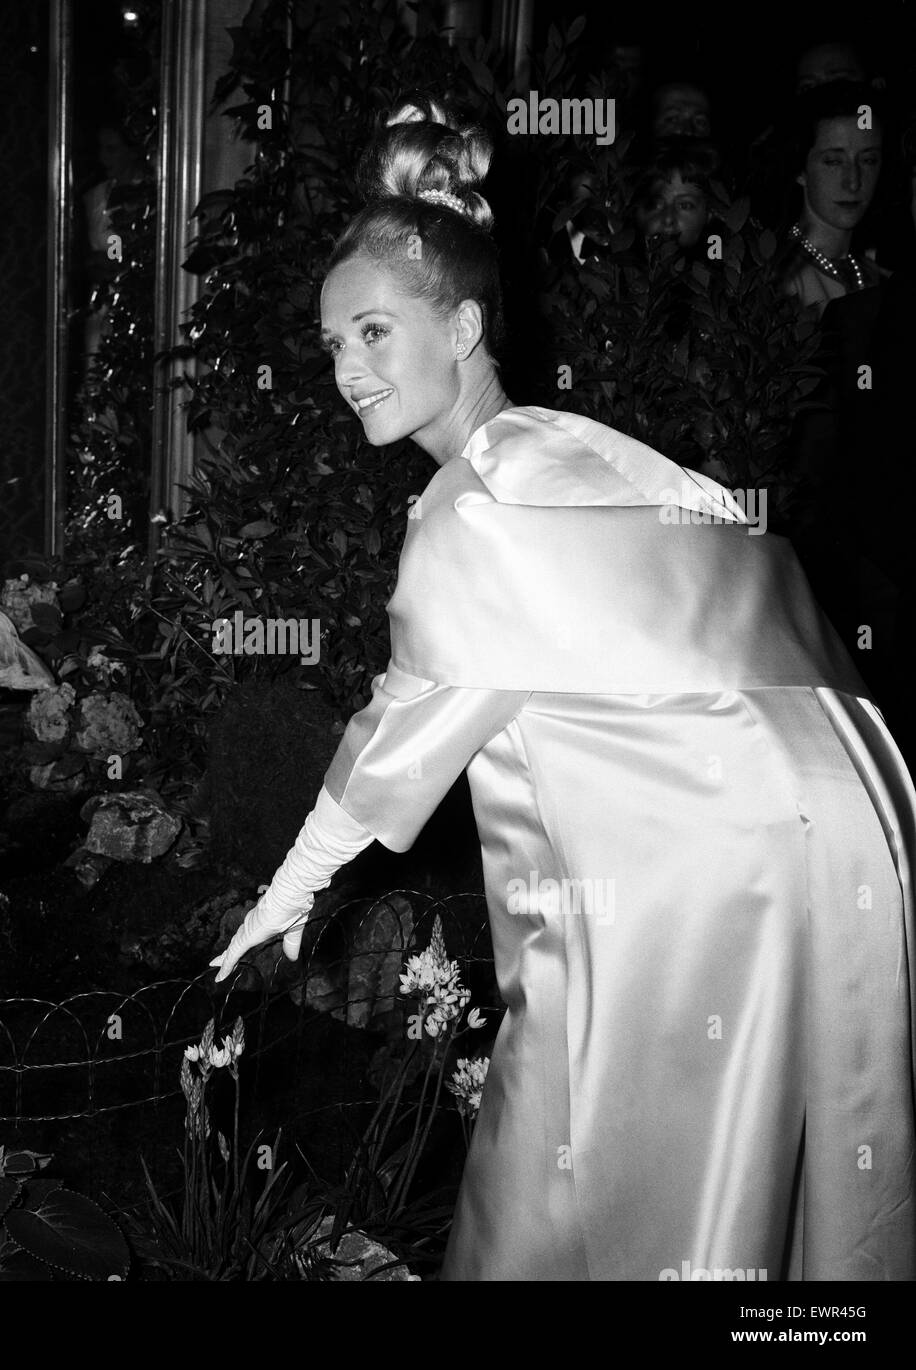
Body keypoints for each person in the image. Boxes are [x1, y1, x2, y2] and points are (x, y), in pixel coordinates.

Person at [209, 94, 916, 1281]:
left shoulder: (467, 510)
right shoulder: (573, 442)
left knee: (577, 1163)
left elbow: (396, 737)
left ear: (465, 324)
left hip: (720, 861)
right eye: (333, 344)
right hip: (861, 812)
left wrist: (276, 900)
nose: (346, 369)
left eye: (374, 332)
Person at [779, 80, 888, 311]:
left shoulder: (880, 276)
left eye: (868, 160)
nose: (853, 181)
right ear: (801, 169)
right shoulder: (780, 282)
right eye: (833, 161)